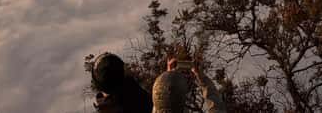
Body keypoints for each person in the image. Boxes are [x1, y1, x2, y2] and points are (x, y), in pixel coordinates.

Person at [91, 52, 226, 113]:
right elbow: (216, 105)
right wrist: (200, 76)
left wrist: (168, 79)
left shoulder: (125, 100)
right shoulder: (136, 99)